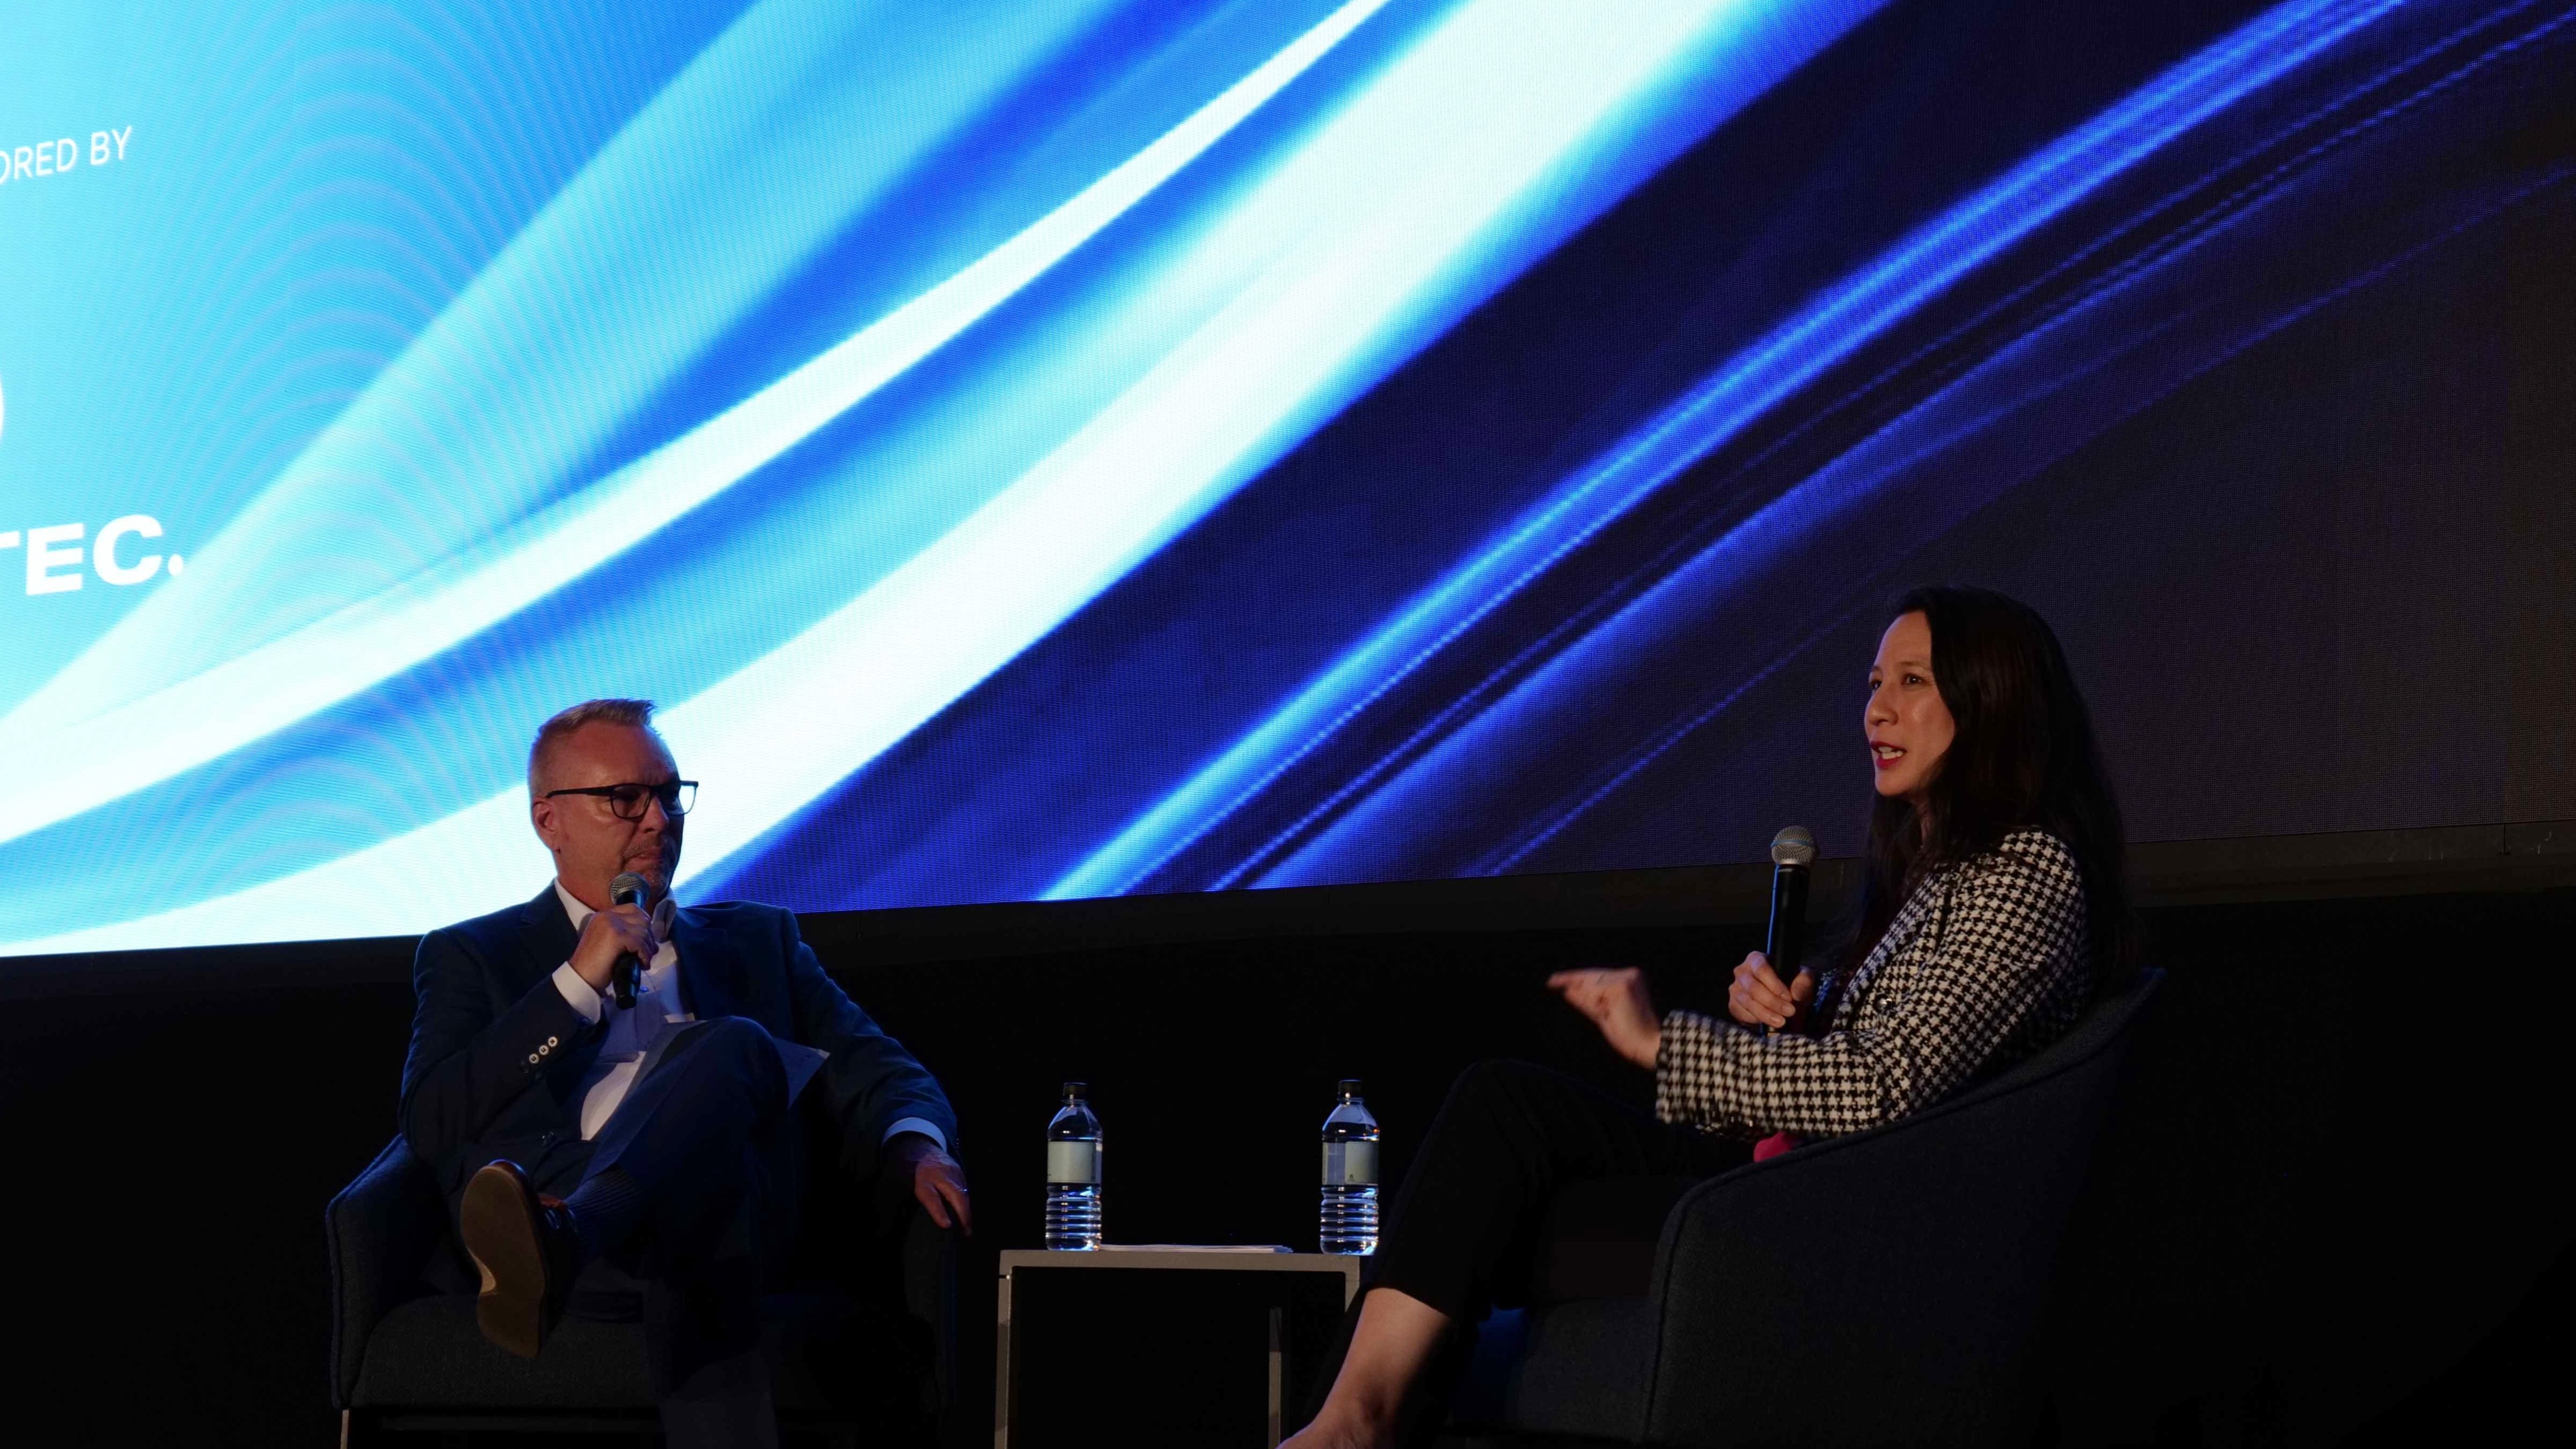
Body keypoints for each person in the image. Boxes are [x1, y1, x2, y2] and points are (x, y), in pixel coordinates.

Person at [1284, 586, 2136, 1449]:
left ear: (1992, 697)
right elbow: (1888, 1066)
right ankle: (1352, 1419)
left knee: (1476, 1222)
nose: (1877, 709)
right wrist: (1796, 1033)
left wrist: (1662, 1044)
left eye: (1913, 681)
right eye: (1875, 682)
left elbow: (1888, 1086)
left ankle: (1353, 1422)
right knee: (1503, 1118)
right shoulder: (1935, 872)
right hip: (1787, 1185)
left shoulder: (2028, 870)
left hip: (1845, 1232)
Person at [399, 698, 970, 1448]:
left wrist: (916, 1144)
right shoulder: (473, 955)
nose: (659, 821)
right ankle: (567, 1228)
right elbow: (432, 1119)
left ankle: (573, 1232)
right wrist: (574, 985)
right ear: (549, 823)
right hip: (555, 1204)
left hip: (605, 1231)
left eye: (670, 796)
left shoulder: (758, 941)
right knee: (707, 1209)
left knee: (728, 1047)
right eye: (625, 799)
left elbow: (878, 1062)